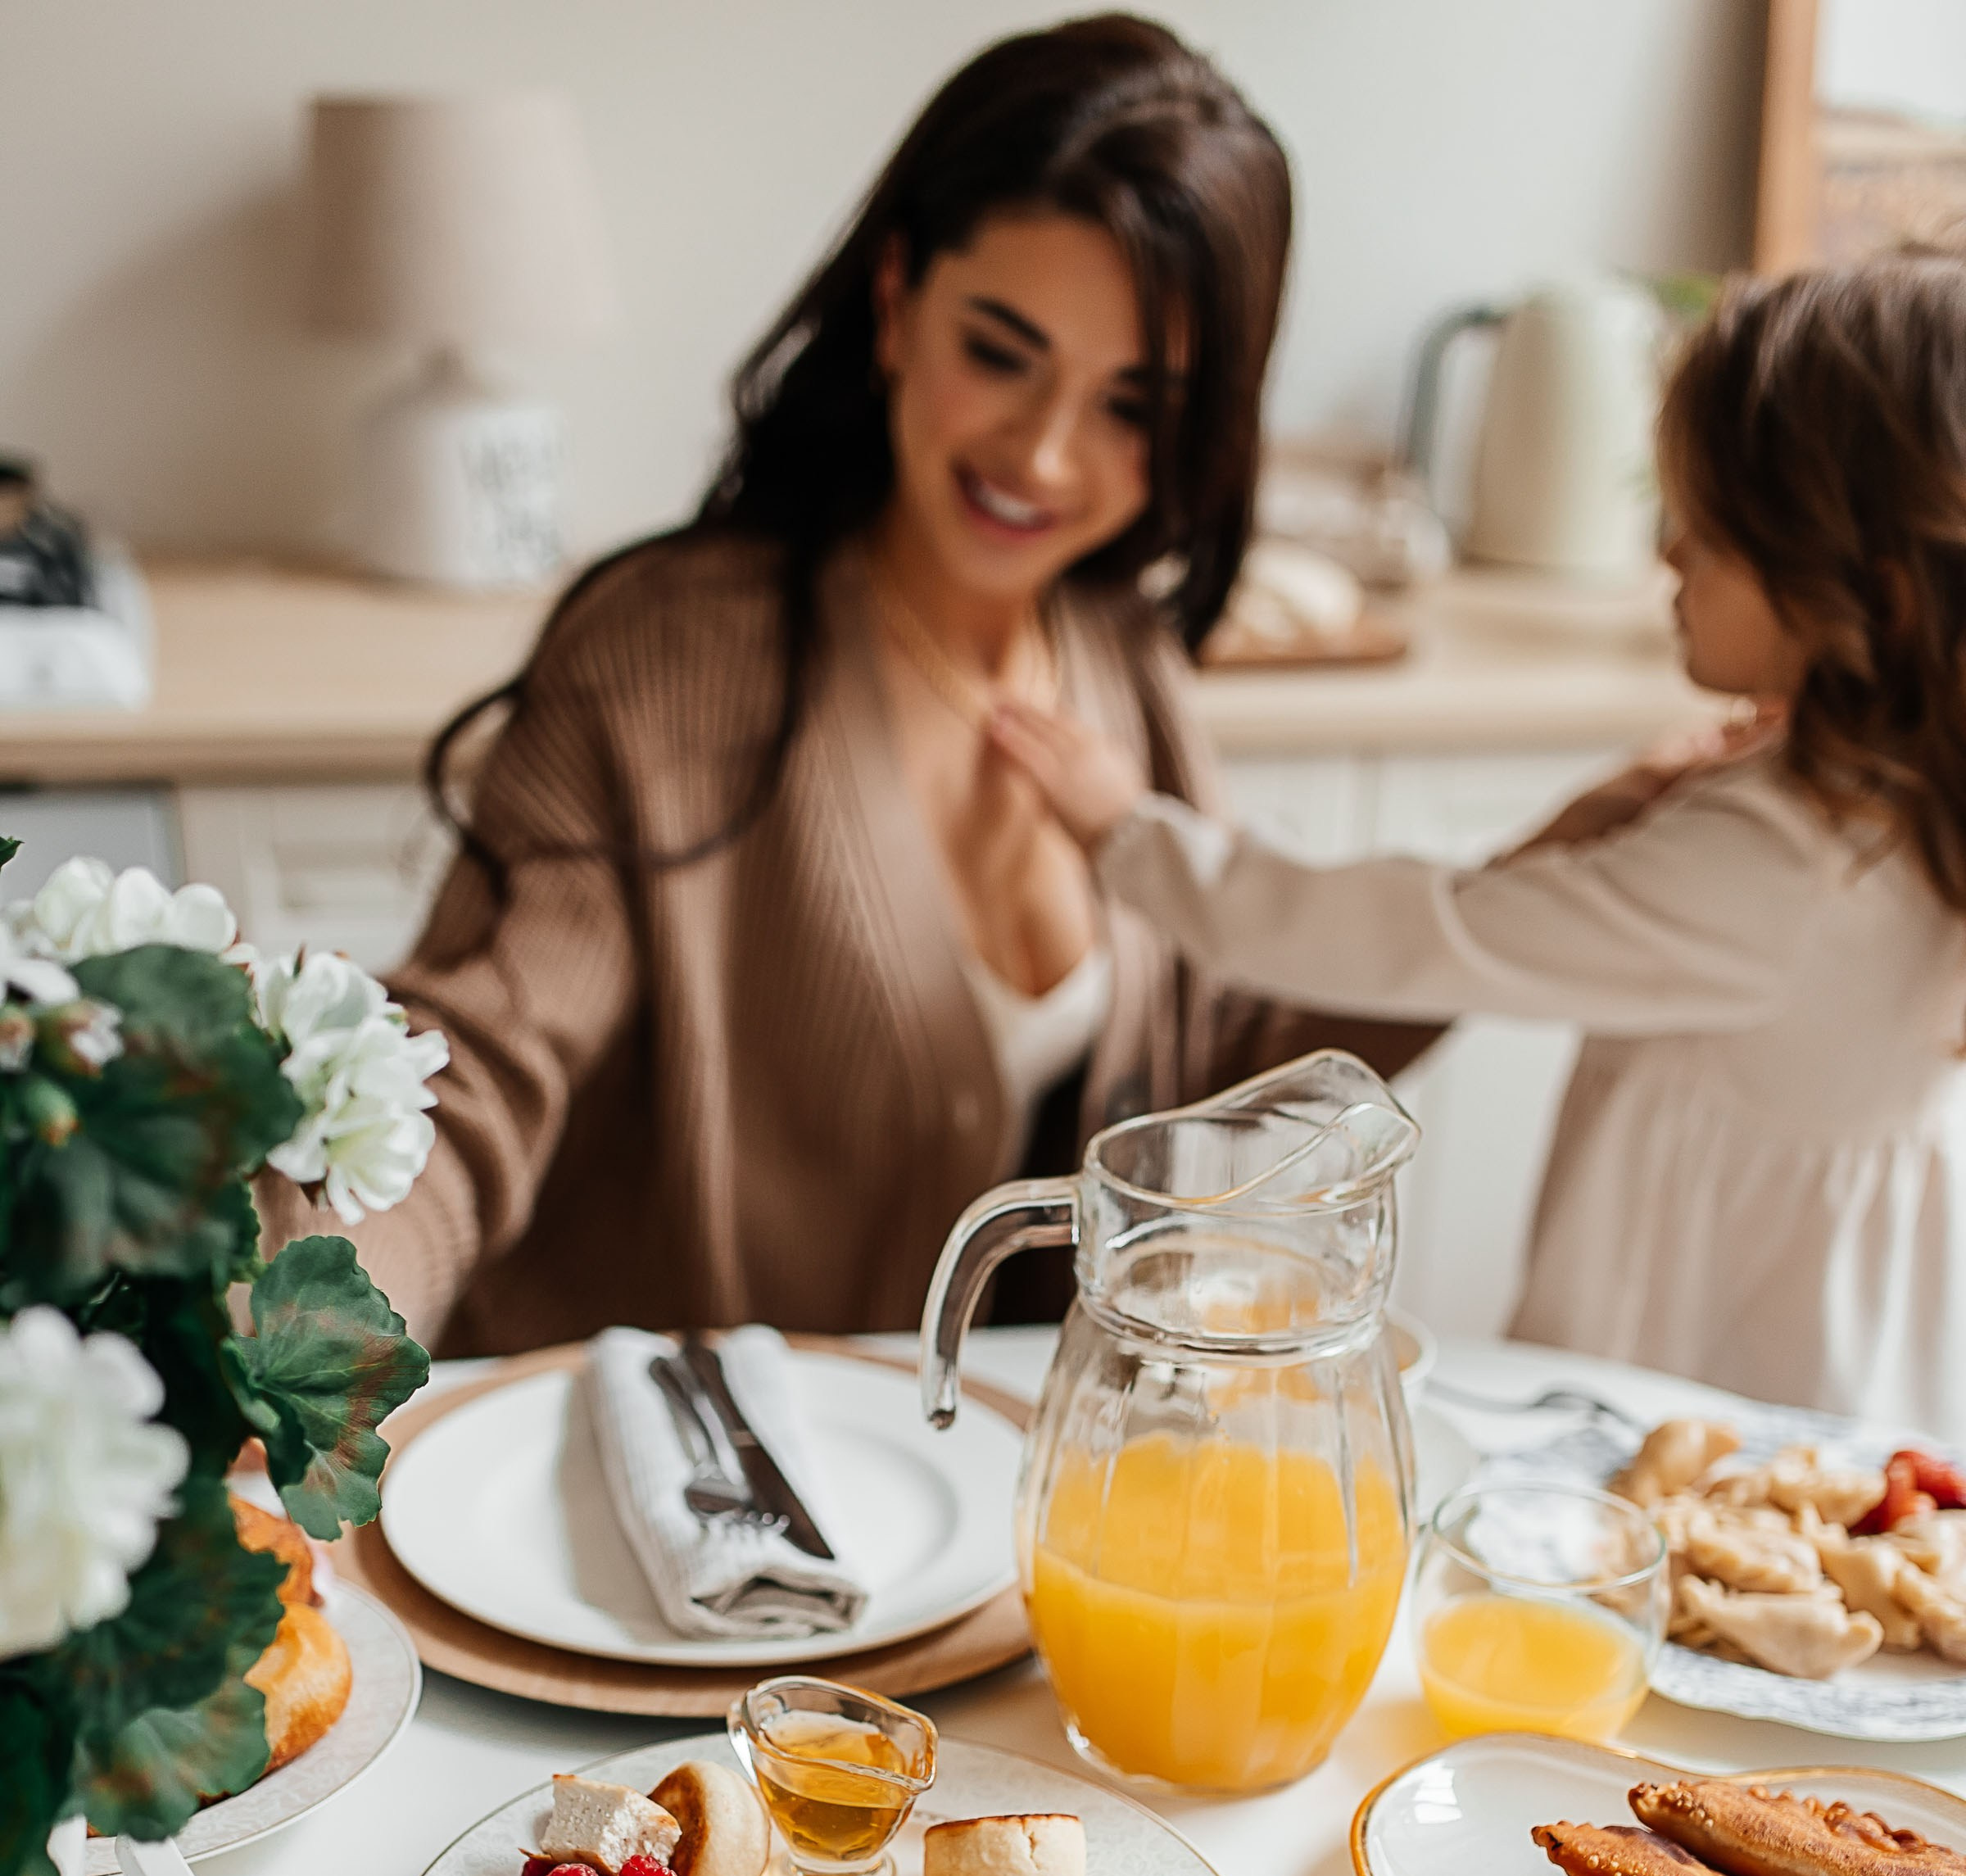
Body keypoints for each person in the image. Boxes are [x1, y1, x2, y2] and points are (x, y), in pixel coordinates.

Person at [273, 17, 1429, 1356]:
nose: (1046, 457)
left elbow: (1208, 1056)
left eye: (1131, 406)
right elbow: (483, 1060)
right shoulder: (668, 661)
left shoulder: (1123, 658)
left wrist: (1522, 910)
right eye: (1000, 353)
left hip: (980, 1468)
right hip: (663, 1460)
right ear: (895, 301)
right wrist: (312, 1324)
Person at [991, 252, 1966, 1443]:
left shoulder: (1778, 869)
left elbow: (1415, 932)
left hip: (1696, 1404)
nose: (1666, 554)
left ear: (1871, 595)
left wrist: (1126, 831)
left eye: (1709, 534)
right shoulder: (1896, 810)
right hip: (1863, 1382)